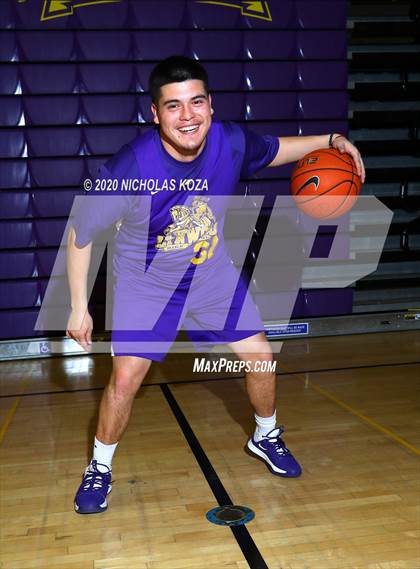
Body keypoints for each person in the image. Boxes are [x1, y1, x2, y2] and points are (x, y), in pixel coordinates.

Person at [66, 56, 365, 514]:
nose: (187, 116)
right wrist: (77, 306)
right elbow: (81, 232)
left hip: (209, 275)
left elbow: (280, 149)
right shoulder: (131, 166)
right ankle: (100, 467)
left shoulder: (229, 141)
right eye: (173, 106)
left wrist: (331, 140)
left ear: (210, 105)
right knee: (125, 379)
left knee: (261, 357)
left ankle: (266, 436)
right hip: (147, 286)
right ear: (155, 113)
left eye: (196, 102)